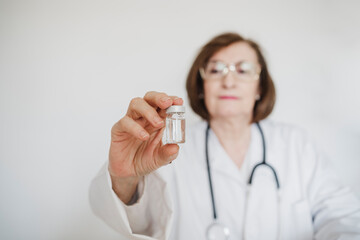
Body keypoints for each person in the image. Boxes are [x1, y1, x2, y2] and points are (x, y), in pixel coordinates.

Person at [89, 32, 360, 240]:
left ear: (259, 88)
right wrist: (124, 178)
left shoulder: (296, 145)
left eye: (243, 70)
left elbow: (341, 217)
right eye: (216, 70)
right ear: (201, 87)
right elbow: (134, 222)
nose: (229, 81)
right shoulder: (165, 148)